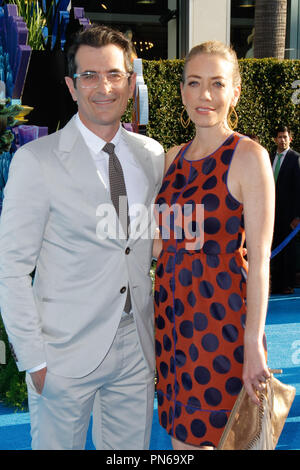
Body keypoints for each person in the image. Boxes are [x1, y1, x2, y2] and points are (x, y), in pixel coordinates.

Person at [0, 25, 164, 450]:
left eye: (113, 74)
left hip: (135, 347)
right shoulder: (36, 161)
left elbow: (148, 242)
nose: (103, 87)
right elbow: (11, 267)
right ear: (72, 86)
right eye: (89, 76)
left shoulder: (152, 155)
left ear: (130, 83)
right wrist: (34, 359)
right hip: (63, 354)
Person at [153, 41, 275, 450]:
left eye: (217, 84)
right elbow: (158, 245)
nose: (205, 95)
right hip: (172, 320)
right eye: (194, 82)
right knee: (180, 437)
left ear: (234, 92)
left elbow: (259, 261)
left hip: (221, 320)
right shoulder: (171, 158)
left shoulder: (249, 157)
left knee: (227, 437)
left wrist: (253, 342)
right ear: (182, 90)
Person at [270, 126, 300, 295]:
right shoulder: (270, 157)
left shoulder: (296, 159)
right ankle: (276, 283)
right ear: (275, 139)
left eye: (285, 137)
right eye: (279, 137)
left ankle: (288, 284)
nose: (282, 140)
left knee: (288, 250)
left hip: (289, 216)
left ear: (290, 139)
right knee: (274, 247)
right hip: (272, 213)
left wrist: (297, 216)